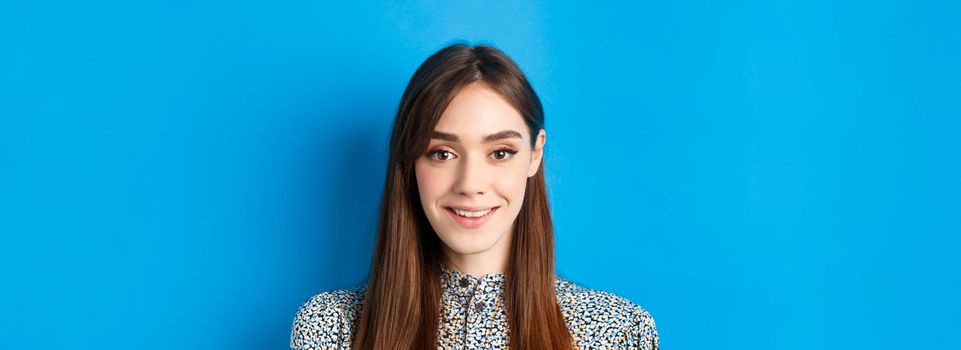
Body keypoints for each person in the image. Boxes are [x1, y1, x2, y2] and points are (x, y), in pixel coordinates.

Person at [290, 43, 659, 350]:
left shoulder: (620, 331)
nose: (470, 184)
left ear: (535, 154)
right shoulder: (332, 329)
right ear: (410, 161)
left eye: (500, 152)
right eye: (442, 153)